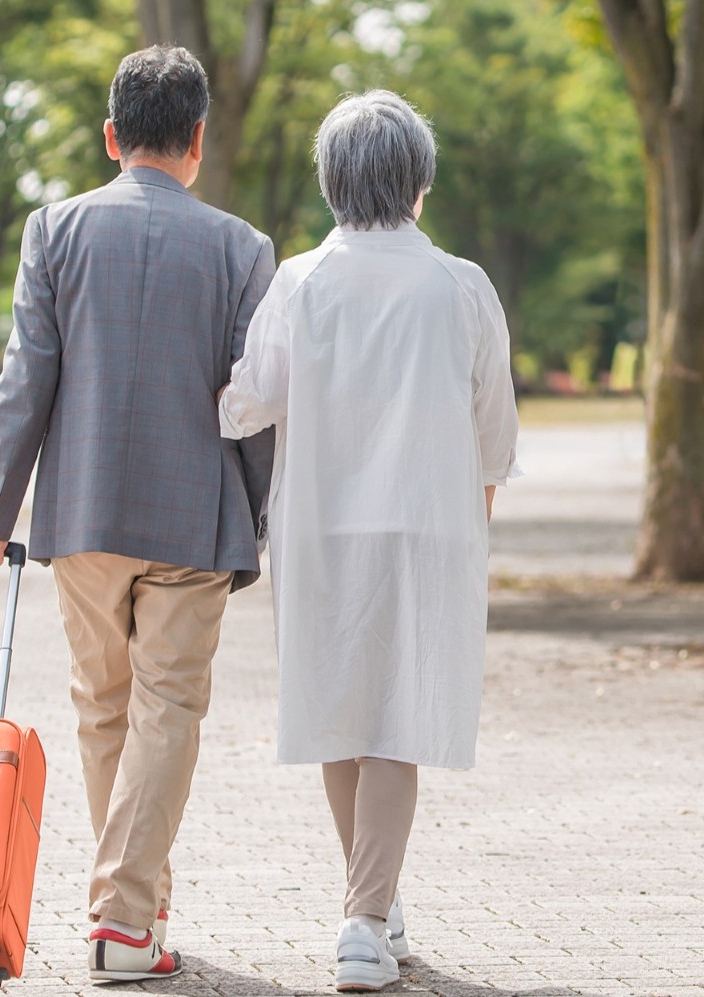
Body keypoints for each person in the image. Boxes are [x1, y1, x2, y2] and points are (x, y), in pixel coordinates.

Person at [0, 45, 277, 983]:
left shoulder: (53, 230)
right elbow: (249, 403)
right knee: (167, 706)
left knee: (104, 708)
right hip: (193, 518)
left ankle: (133, 907)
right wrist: (259, 517)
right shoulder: (241, 247)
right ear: (198, 141)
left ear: (110, 137)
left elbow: (27, 384)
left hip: (84, 513)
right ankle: (126, 920)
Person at [219, 90, 521, 993]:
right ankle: (364, 917)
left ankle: (371, 906)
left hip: (319, 523)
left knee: (340, 709)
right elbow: (493, 429)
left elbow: (246, 404)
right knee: (400, 713)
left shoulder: (300, 282)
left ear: (331, 182)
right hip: (429, 523)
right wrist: (480, 515)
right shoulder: (460, 284)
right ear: (419, 181)